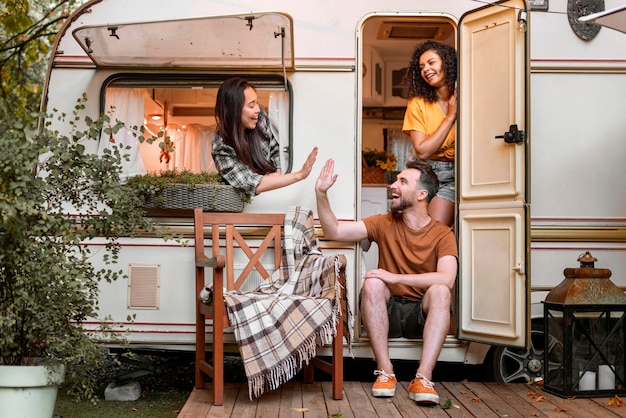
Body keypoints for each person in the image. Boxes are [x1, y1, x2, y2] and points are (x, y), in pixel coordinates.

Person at [315, 158, 457, 405]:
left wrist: (394, 277)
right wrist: (320, 193)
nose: (393, 185)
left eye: (402, 181)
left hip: (419, 317)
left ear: (422, 194)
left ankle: (423, 378)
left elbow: (447, 278)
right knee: (373, 282)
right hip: (386, 314)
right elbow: (334, 231)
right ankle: (385, 371)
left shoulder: (442, 233)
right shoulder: (383, 222)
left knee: (441, 291)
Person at [211, 77, 318, 197]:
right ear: (233, 110)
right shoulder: (221, 146)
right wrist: (299, 175)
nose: (258, 109)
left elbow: (275, 146)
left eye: (256, 103)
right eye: (251, 106)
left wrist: (278, 170)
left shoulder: (259, 119)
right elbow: (249, 182)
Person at [402, 40, 457, 227]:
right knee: (413, 231)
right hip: (423, 172)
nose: (426, 69)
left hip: (455, 174)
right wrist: (450, 117)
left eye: (431, 62)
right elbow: (423, 151)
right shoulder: (417, 103)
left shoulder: (469, 97)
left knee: (433, 232)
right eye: (422, 67)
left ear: (447, 63)